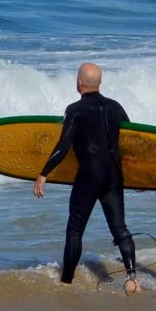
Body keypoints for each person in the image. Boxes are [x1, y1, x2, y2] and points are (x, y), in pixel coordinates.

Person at [34, 62, 142, 293]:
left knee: (75, 230)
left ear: (79, 83)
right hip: (114, 175)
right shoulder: (115, 107)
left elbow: (63, 147)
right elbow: (130, 142)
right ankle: (132, 278)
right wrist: (138, 177)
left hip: (89, 177)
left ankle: (66, 281)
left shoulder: (75, 110)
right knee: (120, 228)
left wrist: (43, 174)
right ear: (100, 83)